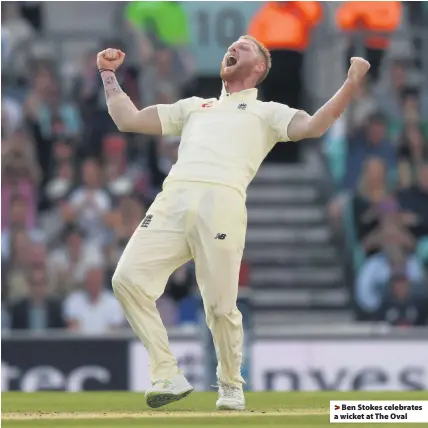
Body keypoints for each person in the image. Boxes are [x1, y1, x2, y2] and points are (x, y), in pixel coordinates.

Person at [97, 36, 370, 410]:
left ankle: (230, 386)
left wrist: (351, 83)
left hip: (222, 202)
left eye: (244, 46)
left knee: (220, 306)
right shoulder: (195, 107)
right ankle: (167, 373)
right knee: (126, 280)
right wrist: (108, 74)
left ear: (259, 68)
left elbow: (313, 126)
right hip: (172, 200)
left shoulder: (267, 112)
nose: (234, 47)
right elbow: (127, 119)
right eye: (232, 45)